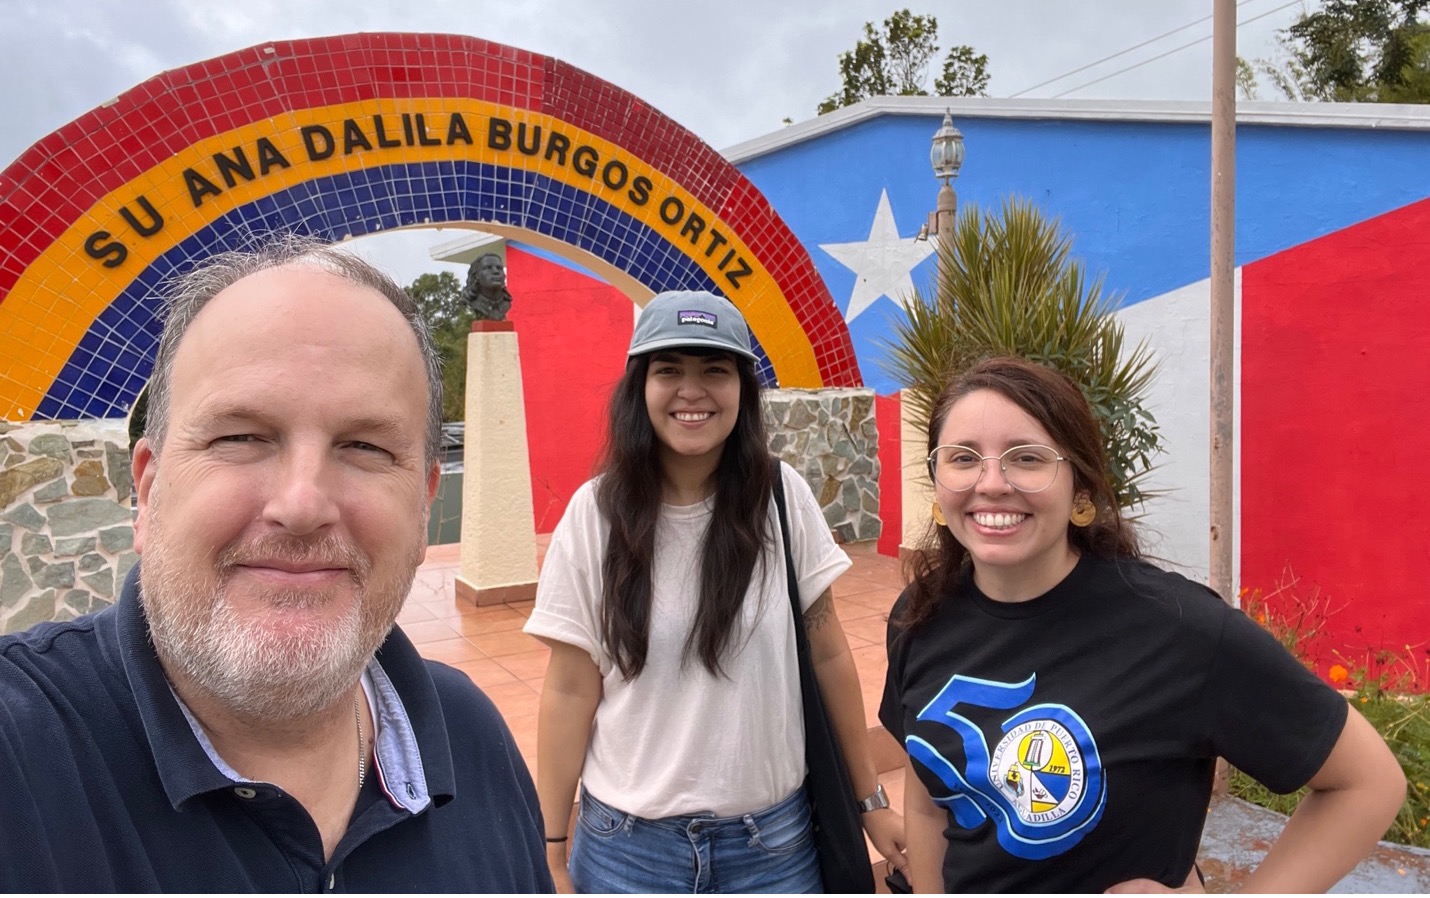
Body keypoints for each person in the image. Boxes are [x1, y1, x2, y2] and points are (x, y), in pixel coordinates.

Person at [0, 236, 553, 892]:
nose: (302, 504)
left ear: (424, 504)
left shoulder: (470, 734)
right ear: (147, 491)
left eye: (364, 446)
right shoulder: (21, 754)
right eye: (240, 437)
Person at [880, 356, 1406, 893]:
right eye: (963, 458)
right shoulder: (920, 616)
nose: (991, 483)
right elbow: (930, 802)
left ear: (1081, 492)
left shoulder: (1181, 631)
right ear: (937, 483)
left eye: (1028, 458)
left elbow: (1367, 783)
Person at [524, 290, 907, 893]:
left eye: (715, 370)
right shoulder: (592, 516)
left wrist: (871, 798)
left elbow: (828, 653)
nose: (691, 391)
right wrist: (549, 848)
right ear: (639, 387)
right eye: (669, 369)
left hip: (773, 854)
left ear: (743, 391)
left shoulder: (781, 499)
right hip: (627, 857)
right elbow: (571, 690)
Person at [462, 251, 514, 320]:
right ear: (476, 276)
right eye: (488, 268)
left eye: (499, 268)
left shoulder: (506, 303)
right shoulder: (474, 302)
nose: (496, 271)